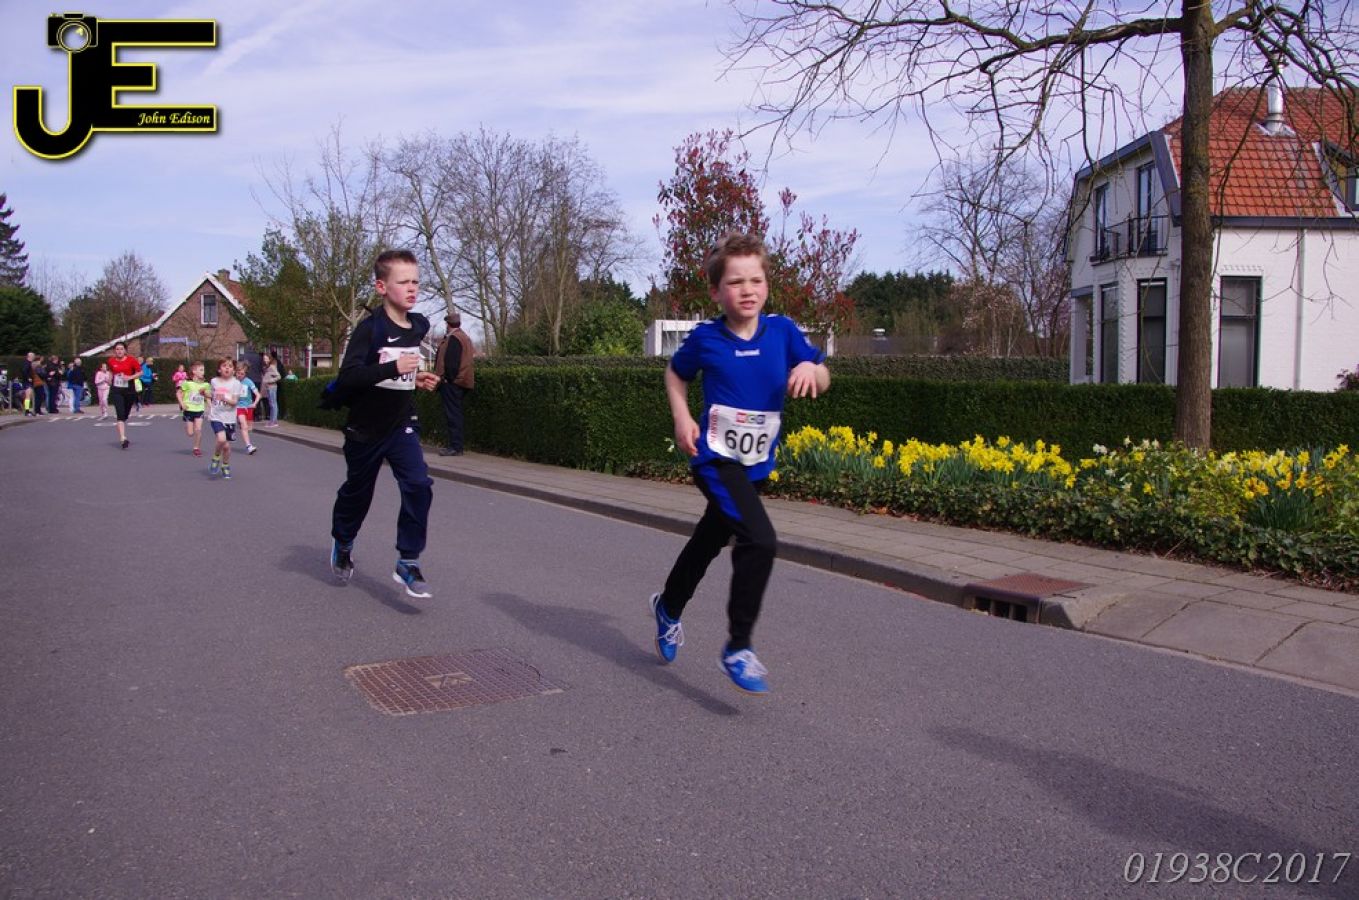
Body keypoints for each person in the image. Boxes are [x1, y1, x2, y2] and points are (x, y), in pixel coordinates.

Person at [648, 233, 830, 695]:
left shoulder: (783, 332)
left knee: (709, 540)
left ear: (767, 284)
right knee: (760, 539)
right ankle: (738, 647)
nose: (747, 290)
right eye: (735, 282)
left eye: (756, 280)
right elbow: (675, 373)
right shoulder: (706, 338)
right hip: (715, 459)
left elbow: (822, 371)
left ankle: (668, 606)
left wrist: (812, 370)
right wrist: (682, 417)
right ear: (716, 291)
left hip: (755, 465)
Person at [328, 249, 441, 598]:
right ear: (381, 287)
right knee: (358, 493)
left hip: (401, 424)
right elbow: (349, 377)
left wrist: (416, 379)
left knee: (419, 484)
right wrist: (394, 368)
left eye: (416, 281)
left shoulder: (419, 326)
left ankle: (408, 560)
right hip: (365, 429)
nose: (412, 288)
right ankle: (343, 541)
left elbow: (400, 374)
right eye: (403, 282)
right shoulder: (370, 329)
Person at [434, 311, 475, 456]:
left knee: (452, 415)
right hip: (461, 381)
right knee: (455, 413)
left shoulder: (454, 338)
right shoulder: (464, 337)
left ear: (448, 324)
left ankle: (455, 446)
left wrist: (448, 379)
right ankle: (456, 445)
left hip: (453, 383)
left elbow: (451, 362)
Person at [207, 358, 241, 479]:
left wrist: (225, 399)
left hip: (230, 418)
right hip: (216, 416)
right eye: (224, 366)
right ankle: (216, 457)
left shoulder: (236, 384)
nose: (227, 368)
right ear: (219, 369)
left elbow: (235, 402)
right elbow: (211, 395)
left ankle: (225, 465)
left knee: (226, 447)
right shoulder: (214, 381)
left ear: (233, 370)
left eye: (230, 366)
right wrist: (205, 395)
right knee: (221, 440)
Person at [107, 343, 141, 448]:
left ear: (125, 350)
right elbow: (111, 371)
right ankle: (123, 438)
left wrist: (129, 377)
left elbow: (140, 372)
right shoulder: (111, 361)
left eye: (121, 349)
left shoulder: (131, 360)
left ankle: (123, 420)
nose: (119, 351)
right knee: (120, 414)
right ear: (114, 351)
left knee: (125, 414)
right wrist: (109, 379)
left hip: (129, 390)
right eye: (117, 349)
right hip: (117, 390)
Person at [178, 361, 210, 457]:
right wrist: (182, 403)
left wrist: (211, 407)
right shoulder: (187, 383)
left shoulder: (206, 385)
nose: (203, 372)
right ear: (194, 371)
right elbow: (178, 393)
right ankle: (188, 427)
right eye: (201, 370)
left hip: (199, 410)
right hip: (189, 410)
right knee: (190, 433)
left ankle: (196, 448)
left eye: (203, 370)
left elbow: (208, 397)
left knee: (198, 429)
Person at [234, 360, 261, 455]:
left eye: (242, 374)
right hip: (239, 407)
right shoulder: (233, 382)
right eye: (238, 373)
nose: (239, 375)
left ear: (245, 374)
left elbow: (258, 395)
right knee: (244, 425)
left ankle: (241, 430)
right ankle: (249, 446)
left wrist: (254, 403)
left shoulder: (248, 382)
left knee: (249, 428)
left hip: (248, 407)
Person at [260, 352, 282, 427]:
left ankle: (273, 422)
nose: (265, 360)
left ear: (270, 359)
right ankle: (273, 421)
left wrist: (270, 381)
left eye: (266, 359)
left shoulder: (272, 367)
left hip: (272, 387)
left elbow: (279, 376)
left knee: (273, 404)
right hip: (269, 388)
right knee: (272, 404)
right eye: (264, 359)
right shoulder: (268, 367)